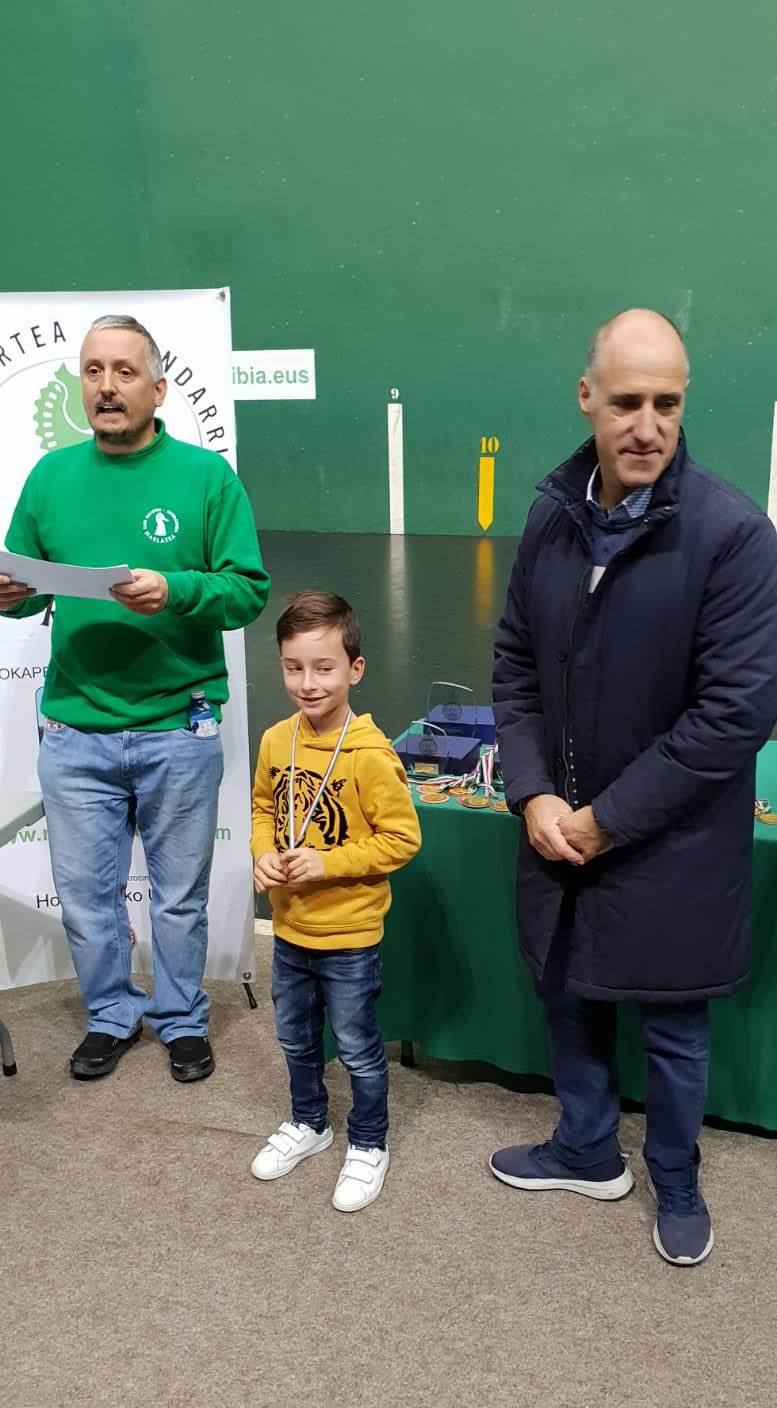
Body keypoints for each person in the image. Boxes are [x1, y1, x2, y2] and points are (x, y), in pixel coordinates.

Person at [490, 307, 777, 1267]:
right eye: (625, 403)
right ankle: (583, 1149)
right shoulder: (549, 517)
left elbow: (732, 716)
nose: (646, 426)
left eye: (666, 403)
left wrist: (607, 821)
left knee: (673, 1026)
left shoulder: (733, 535)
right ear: (586, 398)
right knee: (567, 991)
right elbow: (514, 664)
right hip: (557, 825)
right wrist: (532, 793)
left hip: (672, 843)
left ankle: (676, 1177)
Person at [0, 314, 269, 1083]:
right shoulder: (50, 477)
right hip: (74, 730)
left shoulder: (206, 477)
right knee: (87, 896)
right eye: (93, 371)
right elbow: (24, 588)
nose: (106, 387)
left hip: (179, 726)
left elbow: (247, 590)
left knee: (178, 897)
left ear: (158, 387)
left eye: (123, 371)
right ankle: (111, 1015)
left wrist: (174, 589)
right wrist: (11, 595)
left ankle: (182, 1019)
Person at [250, 591, 421, 1211]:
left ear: (355, 669)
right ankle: (309, 1122)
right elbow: (264, 809)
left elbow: (402, 838)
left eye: (324, 668)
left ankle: (369, 1141)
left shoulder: (369, 754)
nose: (308, 683)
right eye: (293, 667)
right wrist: (261, 853)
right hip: (289, 929)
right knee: (295, 1038)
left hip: (349, 935)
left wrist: (329, 862)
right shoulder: (277, 740)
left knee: (356, 1046)